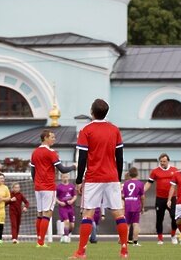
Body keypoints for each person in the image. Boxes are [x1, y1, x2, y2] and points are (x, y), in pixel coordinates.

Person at [71, 98, 129, 259]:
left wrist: (78, 180)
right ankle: (124, 251)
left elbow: (82, 158)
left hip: (94, 178)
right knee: (118, 212)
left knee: (88, 213)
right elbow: (120, 156)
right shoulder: (115, 130)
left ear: (91, 112)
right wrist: (117, 177)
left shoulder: (86, 130)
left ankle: (81, 252)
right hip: (112, 177)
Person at [30, 128, 76, 247]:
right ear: (45, 138)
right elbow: (62, 169)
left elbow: (32, 171)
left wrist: (36, 182)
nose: (54, 139)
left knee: (40, 214)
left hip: (38, 187)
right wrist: (73, 166)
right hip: (48, 187)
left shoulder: (34, 152)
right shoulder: (51, 152)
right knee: (47, 213)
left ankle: (39, 240)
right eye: (52, 137)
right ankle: (41, 242)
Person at [144, 153, 179, 245]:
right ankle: (160, 239)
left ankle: (173, 236)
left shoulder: (175, 171)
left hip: (172, 198)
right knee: (159, 219)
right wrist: (141, 191)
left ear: (168, 161)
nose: (162, 163)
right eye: (161, 161)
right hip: (160, 198)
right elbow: (149, 183)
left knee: (174, 217)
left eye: (164, 161)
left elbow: (179, 183)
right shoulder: (155, 171)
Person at [122, 167, 145, 246]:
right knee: (135, 224)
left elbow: (123, 196)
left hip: (127, 205)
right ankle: (135, 242)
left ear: (129, 174)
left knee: (127, 224)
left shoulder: (125, 183)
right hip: (136, 205)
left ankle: (125, 242)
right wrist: (142, 206)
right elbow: (142, 197)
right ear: (137, 174)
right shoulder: (140, 184)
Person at [57, 172, 77, 243]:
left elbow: (75, 196)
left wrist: (72, 201)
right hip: (63, 208)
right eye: (64, 177)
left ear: (68, 177)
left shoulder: (72, 186)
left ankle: (65, 235)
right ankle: (65, 238)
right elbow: (54, 197)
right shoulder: (59, 187)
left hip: (70, 208)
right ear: (61, 178)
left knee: (72, 225)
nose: (65, 178)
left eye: (66, 177)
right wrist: (60, 202)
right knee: (67, 222)